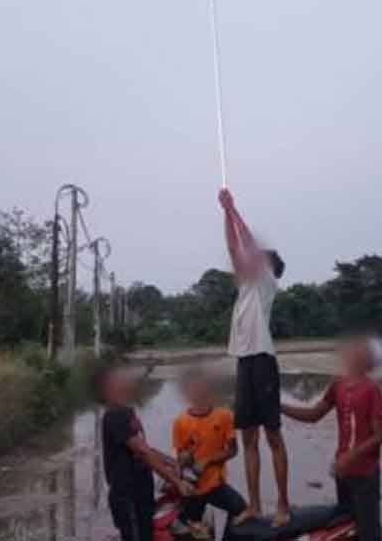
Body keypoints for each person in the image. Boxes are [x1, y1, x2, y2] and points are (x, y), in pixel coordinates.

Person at [217, 187, 291, 527]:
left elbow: (245, 242)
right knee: (248, 437)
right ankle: (256, 505)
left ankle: (283, 506)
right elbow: (235, 247)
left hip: (263, 360)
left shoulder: (267, 283)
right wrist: (224, 213)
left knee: (272, 436)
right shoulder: (246, 285)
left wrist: (234, 209)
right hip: (245, 362)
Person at [281, 336, 382, 541]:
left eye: (358, 351)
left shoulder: (372, 389)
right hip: (343, 473)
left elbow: (379, 436)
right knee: (346, 525)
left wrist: (349, 458)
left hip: (365, 475)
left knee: (370, 533)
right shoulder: (338, 385)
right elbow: (314, 415)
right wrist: (280, 407)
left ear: (367, 360)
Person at [99, 364, 195, 541]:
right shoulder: (115, 415)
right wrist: (176, 481)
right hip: (127, 495)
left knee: (147, 535)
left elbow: (145, 448)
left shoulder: (128, 412)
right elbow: (143, 452)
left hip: (142, 491)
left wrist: (172, 462)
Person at [171, 366, 248, 539]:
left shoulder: (224, 416)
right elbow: (178, 457)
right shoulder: (180, 422)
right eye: (193, 388)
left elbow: (233, 450)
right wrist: (181, 473)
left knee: (242, 511)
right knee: (194, 529)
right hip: (193, 489)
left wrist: (208, 460)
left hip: (216, 485)